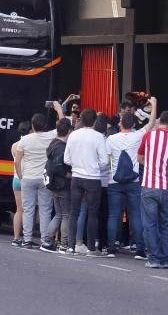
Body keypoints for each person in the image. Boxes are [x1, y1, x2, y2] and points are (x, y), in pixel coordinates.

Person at [106, 99, 157, 259]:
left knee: (114, 214)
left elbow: (108, 161)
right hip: (133, 181)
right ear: (133, 124)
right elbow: (151, 123)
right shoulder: (137, 136)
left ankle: (111, 248)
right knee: (136, 214)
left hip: (114, 182)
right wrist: (154, 105)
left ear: (120, 123)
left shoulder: (111, 139)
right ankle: (140, 249)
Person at [15, 102, 66, 251]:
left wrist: (21, 175)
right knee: (45, 209)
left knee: (28, 209)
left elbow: (17, 161)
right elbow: (62, 125)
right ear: (45, 125)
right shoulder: (50, 136)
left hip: (28, 177)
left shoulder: (24, 140)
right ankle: (45, 240)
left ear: (32, 126)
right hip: (44, 178)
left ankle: (27, 239)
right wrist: (58, 109)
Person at [138, 107, 168, 269]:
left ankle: (153, 257)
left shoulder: (149, 136)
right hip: (167, 187)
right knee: (165, 224)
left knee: (149, 224)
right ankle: (164, 258)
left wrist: (149, 164)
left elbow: (140, 157)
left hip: (149, 185)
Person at [64, 108, 107, 256]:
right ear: (95, 121)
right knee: (93, 213)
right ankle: (91, 248)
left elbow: (66, 159)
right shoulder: (99, 137)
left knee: (74, 212)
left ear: (81, 119)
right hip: (93, 178)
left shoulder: (73, 135)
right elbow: (104, 162)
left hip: (76, 177)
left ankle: (70, 246)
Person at [46, 118, 73, 253]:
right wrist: (68, 174)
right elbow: (58, 167)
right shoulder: (62, 148)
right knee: (66, 215)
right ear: (69, 131)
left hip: (53, 185)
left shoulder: (52, 144)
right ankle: (64, 244)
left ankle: (47, 240)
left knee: (58, 214)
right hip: (63, 185)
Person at [10, 121, 29, 246]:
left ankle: (16, 238)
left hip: (16, 179)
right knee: (28, 210)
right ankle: (27, 238)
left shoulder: (14, 145)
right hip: (26, 178)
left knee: (19, 210)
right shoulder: (29, 144)